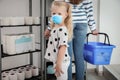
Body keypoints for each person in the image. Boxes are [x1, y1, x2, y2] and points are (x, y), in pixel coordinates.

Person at [45, 0, 98, 80]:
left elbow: (56, 9)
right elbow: (89, 13)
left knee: (66, 56)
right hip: (82, 23)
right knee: (79, 55)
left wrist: (49, 28)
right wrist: (93, 28)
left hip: (68, 22)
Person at [44, 1, 73, 80]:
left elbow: (62, 48)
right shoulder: (55, 28)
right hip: (58, 60)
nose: (56, 15)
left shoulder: (62, 29)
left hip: (61, 61)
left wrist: (59, 64)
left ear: (66, 15)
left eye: (59, 14)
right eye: (54, 13)